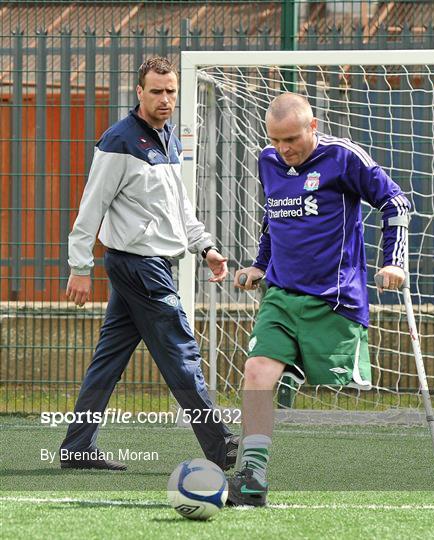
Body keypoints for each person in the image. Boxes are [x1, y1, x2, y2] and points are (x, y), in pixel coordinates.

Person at [227, 93, 411, 506]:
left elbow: (395, 201)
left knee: (335, 383)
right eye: (276, 140)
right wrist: (260, 265)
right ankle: (252, 476)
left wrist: (393, 262)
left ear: (313, 127)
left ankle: (297, 363)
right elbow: (274, 217)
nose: (284, 149)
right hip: (280, 295)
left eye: (291, 138)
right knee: (255, 371)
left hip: (332, 300)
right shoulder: (268, 160)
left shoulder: (342, 157)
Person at [60, 57, 238, 471]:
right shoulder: (118, 141)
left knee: (109, 358)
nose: (165, 99)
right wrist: (79, 267)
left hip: (150, 263)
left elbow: (179, 208)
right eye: (156, 91)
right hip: (140, 267)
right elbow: (92, 207)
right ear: (138, 92)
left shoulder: (168, 138)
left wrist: (205, 247)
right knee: (181, 350)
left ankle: (77, 446)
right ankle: (220, 445)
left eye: (170, 91)